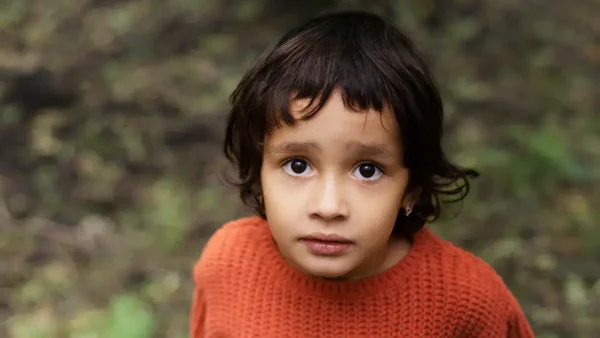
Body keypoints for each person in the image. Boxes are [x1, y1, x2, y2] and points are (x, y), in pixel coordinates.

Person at [190, 10, 535, 337]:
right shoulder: (228, 265)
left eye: (367, 170)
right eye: (298, 165)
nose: (328, 207)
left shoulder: (469, 303)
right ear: (259, 171)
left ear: (412, 187)